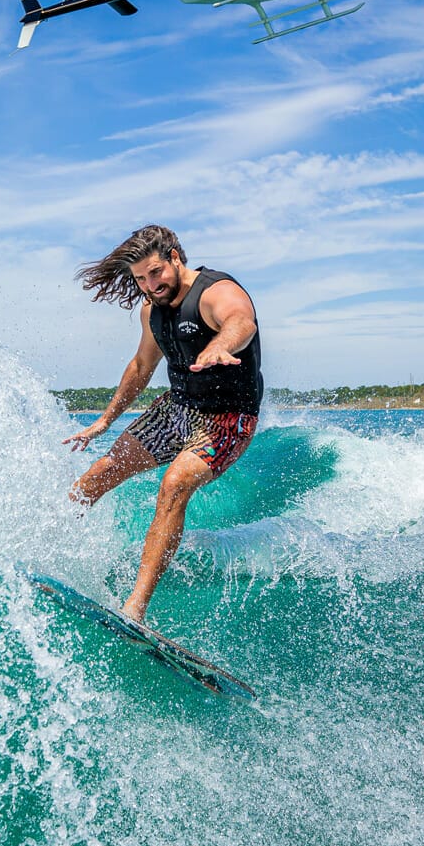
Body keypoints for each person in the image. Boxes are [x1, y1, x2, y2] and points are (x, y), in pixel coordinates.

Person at [64, 224, 263, 624]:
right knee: (97, 476)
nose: (150, 285)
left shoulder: (215, 292)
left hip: (227, 419)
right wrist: (104, 420)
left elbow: (241, 322)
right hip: (177, 409)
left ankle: (135, 609)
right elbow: (141, 366)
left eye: (155, 273)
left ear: (175, 257)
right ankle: (46, 547)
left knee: (174, 484)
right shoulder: (151, 310)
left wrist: (219, 347)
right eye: (140, 279)